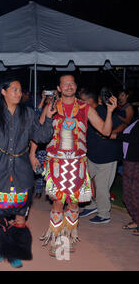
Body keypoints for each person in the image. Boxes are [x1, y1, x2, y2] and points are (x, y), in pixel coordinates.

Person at [0, 78, 55, 268]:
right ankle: (1, 247)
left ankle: (14, 252)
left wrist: (49, 117)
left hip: (21, 171)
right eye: (14, 89)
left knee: (20, 214)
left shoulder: (28, 113)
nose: (19, 93)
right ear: (3, 91)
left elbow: (42, 136)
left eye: (20, 90)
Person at [39, 75, 117, 257]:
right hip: (56, 163)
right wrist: (32, 154)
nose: (68, 86)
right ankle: (57, 242)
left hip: (77, 164)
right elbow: (40, 132)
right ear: (58, 88)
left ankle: (67, 239)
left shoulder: (85, 108)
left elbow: (105, 131)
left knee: (73, 204)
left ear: (75, 86)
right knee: (58, 202)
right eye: (64, 84)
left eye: (71, 83)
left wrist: (110, 111)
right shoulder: (51, 107)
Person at [79, 89, 123, 223]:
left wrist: (109, 133)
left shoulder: (103, 110)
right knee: (83, 181)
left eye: (80, 99)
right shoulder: (85, 112)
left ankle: (104, 214)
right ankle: (92, 205)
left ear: (87, 101)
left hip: (107, 156)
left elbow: (122, 125)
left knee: (102, 187)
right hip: (92, 155)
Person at [112, 108, 139, 236]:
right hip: (129, 161)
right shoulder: (135, 121)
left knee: (135, 195)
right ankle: (136, 220)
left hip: (136, 163)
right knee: (128, 195)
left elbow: (134, 138)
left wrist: (115, 135)